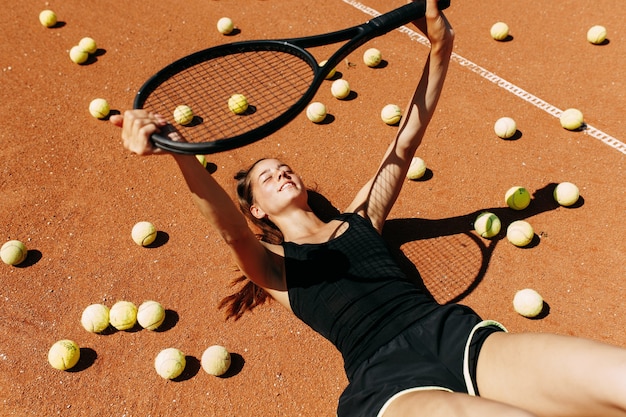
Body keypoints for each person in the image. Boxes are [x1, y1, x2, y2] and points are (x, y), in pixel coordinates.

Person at [112, 1, 626, 416]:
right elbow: (230, 233)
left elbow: (404, 143)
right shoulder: (274, 270)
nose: (279, 174)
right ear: (259, 211)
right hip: (389, 383)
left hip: (450, 332)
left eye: (282, 167)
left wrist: (442, 49)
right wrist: (179, 155)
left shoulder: (362, 219)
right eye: (265, 179)